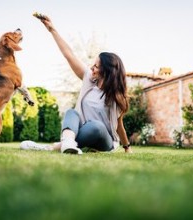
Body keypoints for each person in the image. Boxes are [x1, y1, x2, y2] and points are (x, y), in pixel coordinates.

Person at [20, 14, 131, 154]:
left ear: (106, 72)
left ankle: (51, 147)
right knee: (72, 112)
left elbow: (119, 125)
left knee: (96, 126)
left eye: (96, 66)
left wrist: (127, 147)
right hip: (83, 132)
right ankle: (68, 144)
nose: (92, 68)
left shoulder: (116, 97)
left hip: (104, 141)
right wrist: (52, 30)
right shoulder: (89, 80)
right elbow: (69, 54)